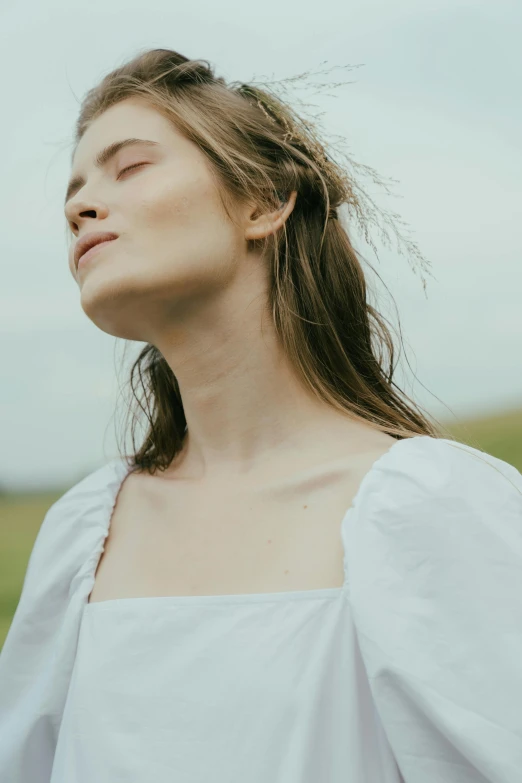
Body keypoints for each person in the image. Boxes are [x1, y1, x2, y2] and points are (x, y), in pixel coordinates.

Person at [1, 48, 521, 783]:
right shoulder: (83, 534)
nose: (76, 206)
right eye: (75, 187)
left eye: (130, 166)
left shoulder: (427, 508)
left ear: (264, 201)